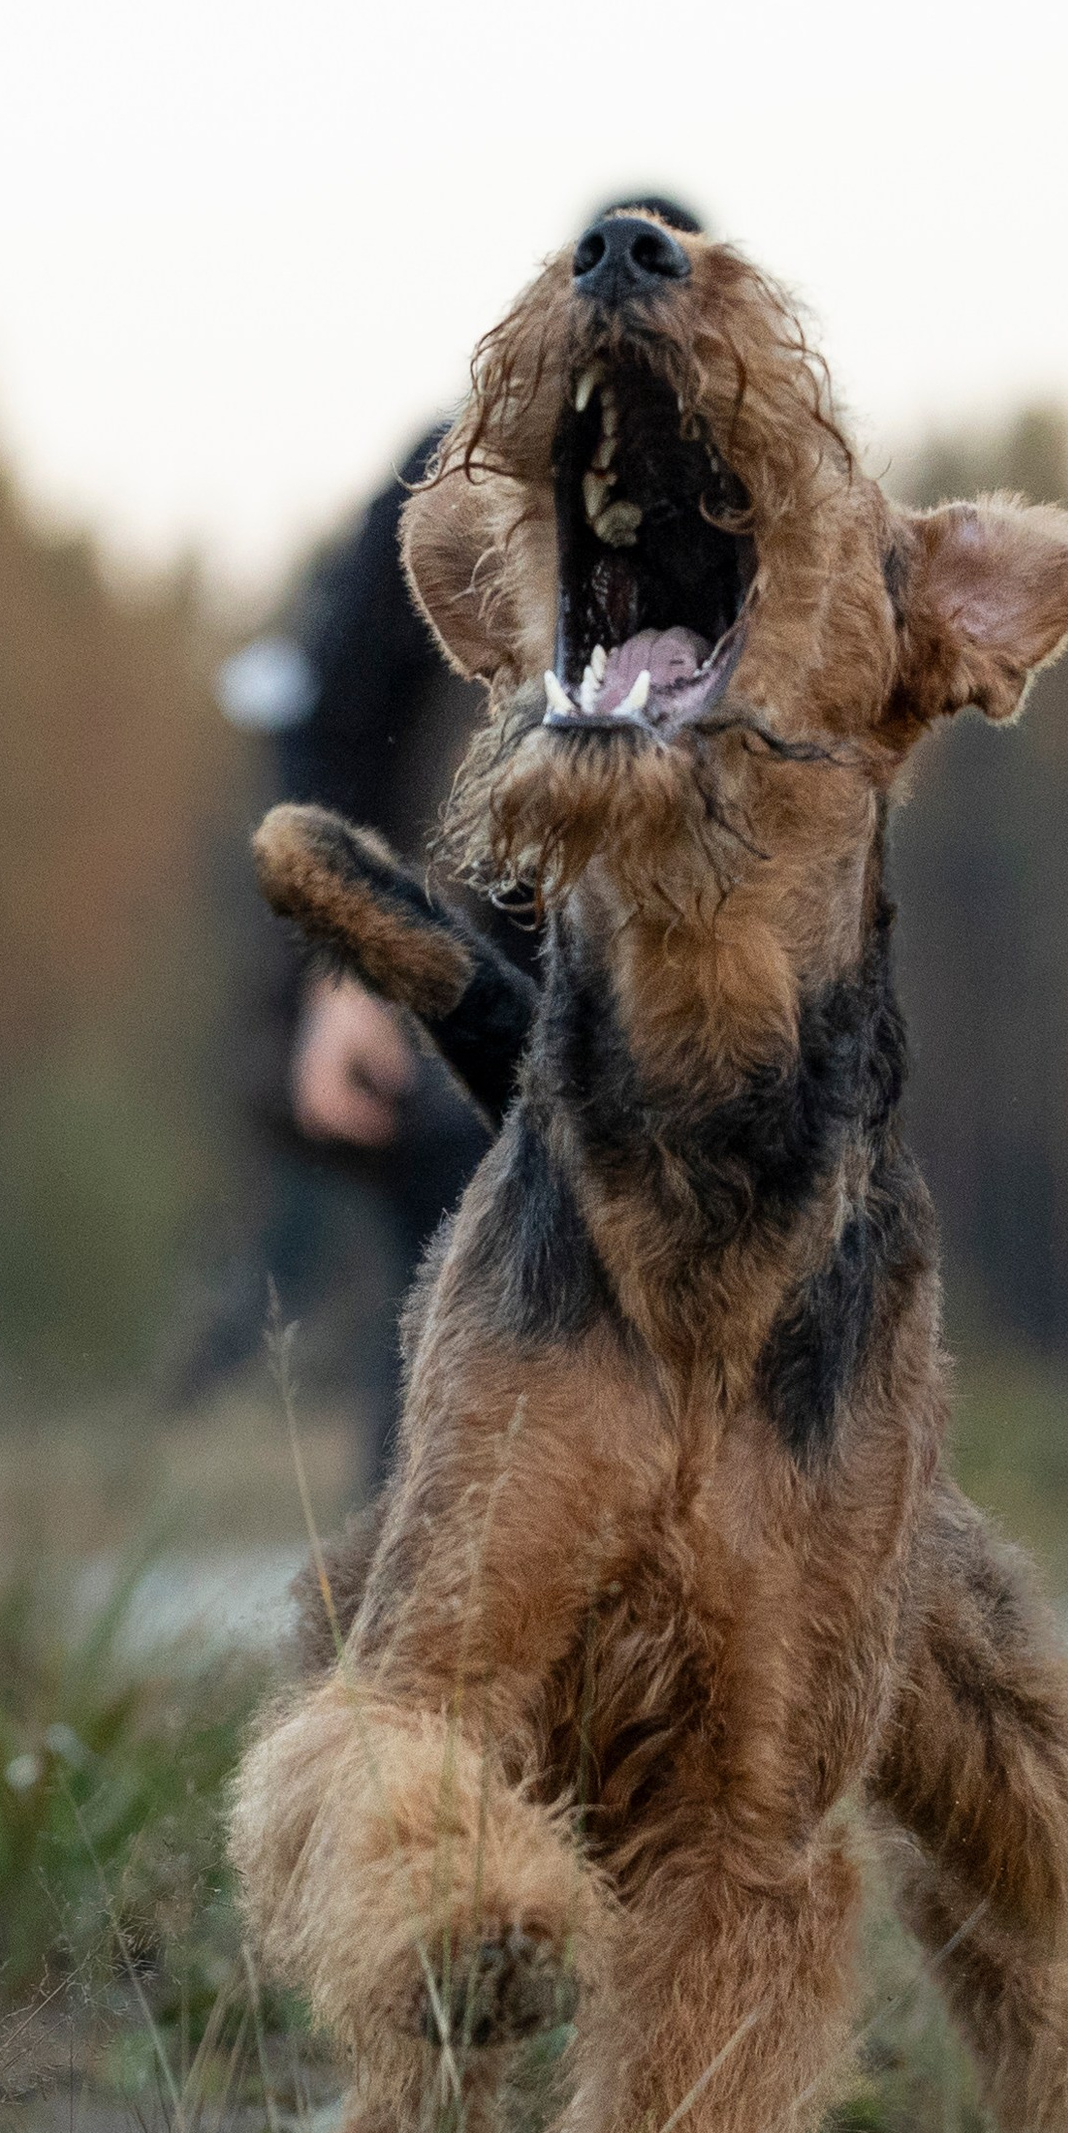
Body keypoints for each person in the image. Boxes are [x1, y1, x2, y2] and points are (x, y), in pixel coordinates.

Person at [190, 196, 709, 1472]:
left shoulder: (736, 510)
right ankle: (402, 1624)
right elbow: (323, 736)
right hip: (434, 988)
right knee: (460, 1270)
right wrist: (345, 980)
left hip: (646, 989)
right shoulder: (456, 481)